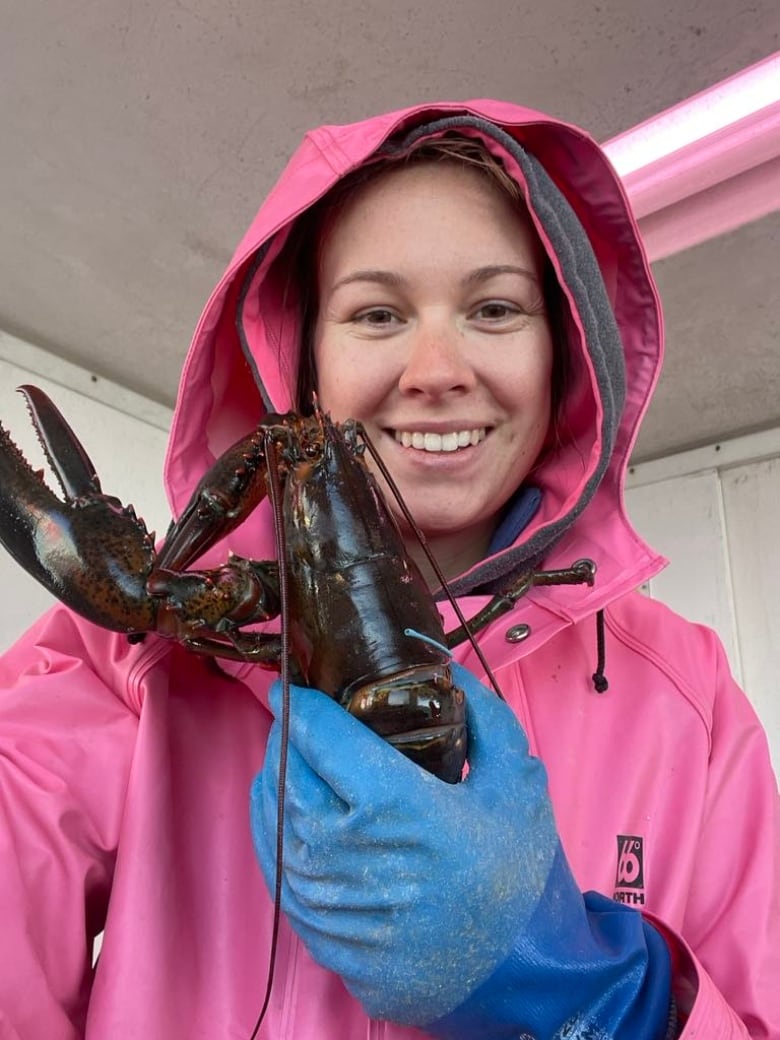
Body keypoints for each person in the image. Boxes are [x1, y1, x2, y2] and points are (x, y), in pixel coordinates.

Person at [0, 100, 777, 1039]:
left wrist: (598, 996)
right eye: (377, 313)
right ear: (306, 359)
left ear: (561, 349)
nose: (436, 367)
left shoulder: (689, 699)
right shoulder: (124, 663)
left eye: (494, 308)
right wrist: (147, 605)